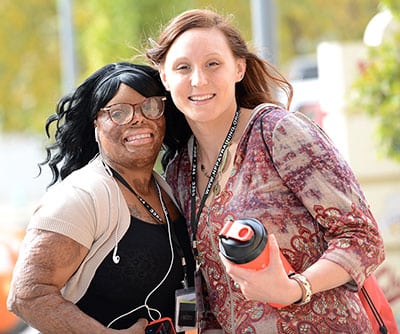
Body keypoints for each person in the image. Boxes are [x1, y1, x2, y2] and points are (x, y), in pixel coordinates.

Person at [146, 9, 386, 333]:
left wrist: (296, 288)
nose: (198, 79)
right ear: (164, 77)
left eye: (213, 63)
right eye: (183, 67)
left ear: (239, 68)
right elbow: (209, 290)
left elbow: (362, 237)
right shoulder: (178, 170)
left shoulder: (276, 133)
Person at [7, 62, 194, 333]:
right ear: (96, 124)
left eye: (151, 106)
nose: (138, 118)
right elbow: (27, 295)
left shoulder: (167, 189)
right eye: (118, 112)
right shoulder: (81, 197)